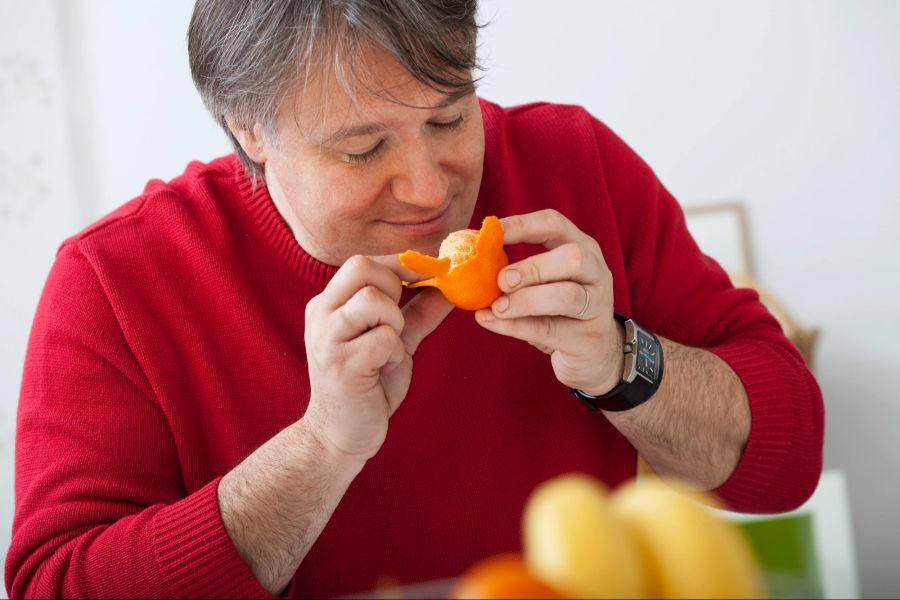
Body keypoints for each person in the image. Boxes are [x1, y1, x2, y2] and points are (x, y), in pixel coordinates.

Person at [5, 1, 824, 598]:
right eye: (363, 148)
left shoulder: (576, 166)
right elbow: (54, 586)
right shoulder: (114, 282)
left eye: (448, 117)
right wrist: (323, 446)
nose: (431, 188)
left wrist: (621, 363)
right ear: (249, 129)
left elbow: (788, 465)